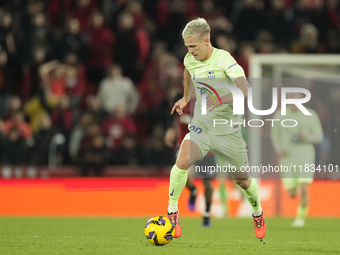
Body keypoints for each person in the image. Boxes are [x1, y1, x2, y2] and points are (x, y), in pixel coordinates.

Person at [167, 18, 266, 240]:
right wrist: (185, 97)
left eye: (193, 47)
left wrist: (223, 98)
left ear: (206, 40)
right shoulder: (190, 59)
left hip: (228, 130)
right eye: (187, 47)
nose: (190, 52)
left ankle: (257, 212)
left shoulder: (225, 60)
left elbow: (247, 90)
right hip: (202, 126)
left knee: (242, 180)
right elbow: (187, 70)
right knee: (182, 161)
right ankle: (172, 210)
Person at [271, 94, 323, 227]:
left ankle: (300, 217)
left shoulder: (311, 114)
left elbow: (318, 136)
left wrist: (306, 136)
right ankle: (299, 190)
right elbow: (274, 134)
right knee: (292, 193)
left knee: (304, 188)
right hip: (287, 157)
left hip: (305, 156)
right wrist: (279, 149)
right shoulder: (280, 115)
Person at [165, 90, 214, 227]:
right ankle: (192, 190)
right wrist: (169, 129)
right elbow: (171, 115)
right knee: (182, 171)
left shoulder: (208, 98)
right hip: (185, 144)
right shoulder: (178, 97)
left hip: (206, 147)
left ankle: (207, 213)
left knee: (207, 184)